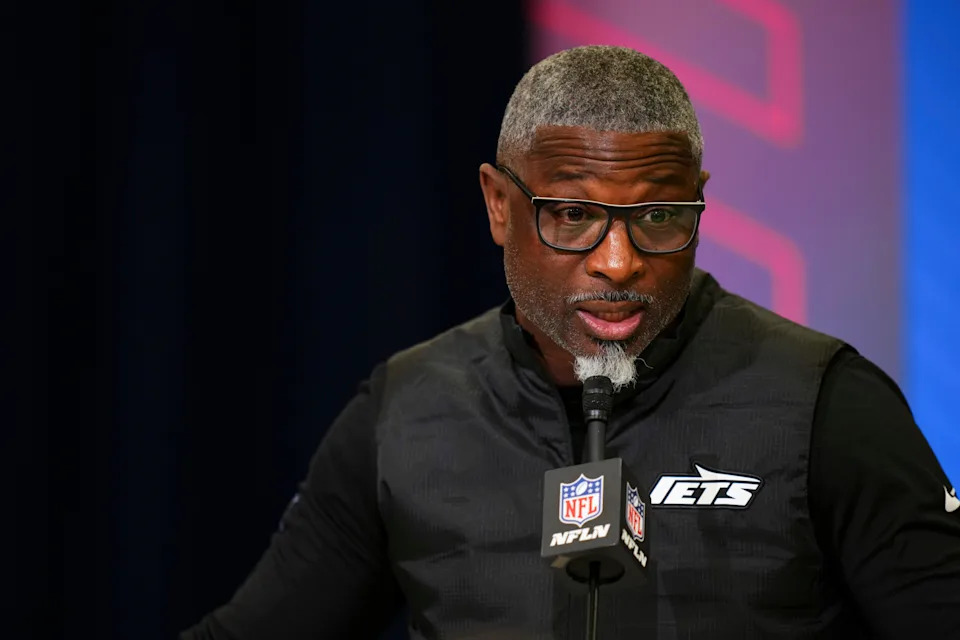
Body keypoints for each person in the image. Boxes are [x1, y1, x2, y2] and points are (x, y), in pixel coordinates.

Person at [181, 45, 960, 640]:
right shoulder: (408, 409)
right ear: (497, 204)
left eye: (659, 216)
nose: (619, 262)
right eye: (573, 215)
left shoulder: (824, 403)